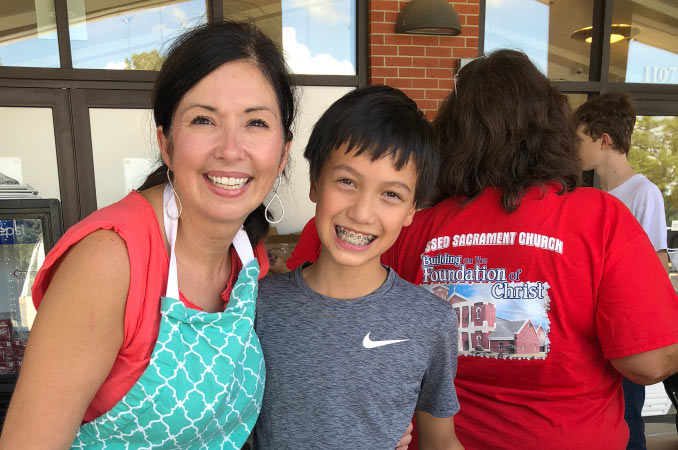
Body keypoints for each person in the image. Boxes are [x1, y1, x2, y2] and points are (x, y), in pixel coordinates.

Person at [288, 50, 678, 450]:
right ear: (551, 126)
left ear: (452, 131)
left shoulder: (404, 219)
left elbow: (313, 312)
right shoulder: (600, 219)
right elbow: (648, 362)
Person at [0, 21, 294, 449]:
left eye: (256, 123)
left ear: (283, 152)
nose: (231, 149)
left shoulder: (247, 257)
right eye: (203, 119)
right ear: (167, 143)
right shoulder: (109, 262)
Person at [253, 85, 463, 449]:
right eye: (347, 181)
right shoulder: (257, 308)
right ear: (315, 183)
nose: (363, 213)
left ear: (412, 209)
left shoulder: (431, 321)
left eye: (391, 194)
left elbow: (440, 442)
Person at [574, 92, 671, 450]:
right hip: (597, 332)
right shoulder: (594, 193)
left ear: (604, 140)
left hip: (626, 331)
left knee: (630, 421)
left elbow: (656, 266)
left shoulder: (643, 193)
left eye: (580, 139)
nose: (575, 147)